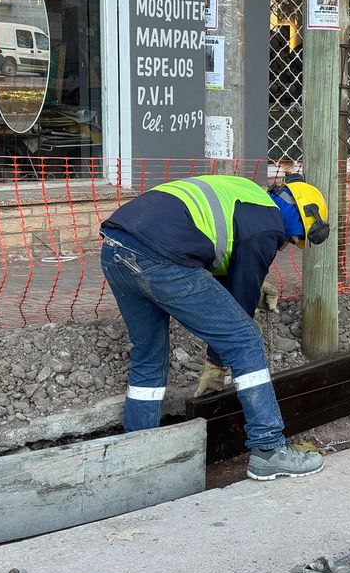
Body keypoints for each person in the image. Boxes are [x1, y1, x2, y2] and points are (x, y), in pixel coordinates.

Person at [99, 173, 330, 480]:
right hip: (161, 257)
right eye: (291, 240)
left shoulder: (246, 194)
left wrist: (250, 288)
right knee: (246, 339)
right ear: (300, 219)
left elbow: (218, 259)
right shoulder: (269, 226)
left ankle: (136, 458)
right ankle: (268, 449)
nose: (285, 246)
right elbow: (240, 306)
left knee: (149, 354)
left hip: (116, 246)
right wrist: (216, 361)